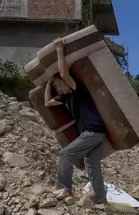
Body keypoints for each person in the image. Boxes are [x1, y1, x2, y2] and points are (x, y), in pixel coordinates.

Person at [45, 37, 108, 204]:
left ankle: (65, 188)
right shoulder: (66, 97)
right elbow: (47, 102)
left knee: (66, 154)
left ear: (67, 83)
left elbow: (64, 73)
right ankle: (100, 198)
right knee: (91, 162)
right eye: (57, 88)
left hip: (93, 131)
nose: (59, 88)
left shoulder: (77, 89)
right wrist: (50, 83)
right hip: (95, 132)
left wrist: (59, 49)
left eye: (60, 85)